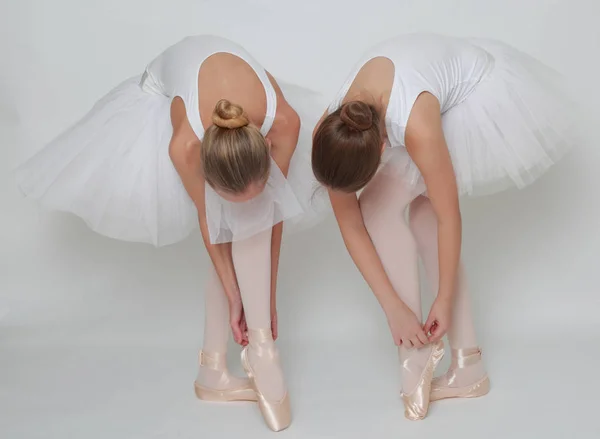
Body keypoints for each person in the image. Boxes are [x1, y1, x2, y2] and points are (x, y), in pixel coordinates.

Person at [15, 35, 316, 432]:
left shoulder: (285, 123)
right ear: (208, 173)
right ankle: (256, 353)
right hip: (160, 93)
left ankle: (220, 369)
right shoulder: (186, 145)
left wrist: (267, 298)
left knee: (252, 220)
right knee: (231, 228)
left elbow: (275, 216)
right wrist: (235, 293)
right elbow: (211, 222)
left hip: (232, 92)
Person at [311, 33, 576, 420]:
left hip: (478, 93)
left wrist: (444, 300)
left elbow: (449, 216)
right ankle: (450, 360)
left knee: (418, 215)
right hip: (420, 89)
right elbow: (350, 225)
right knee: (384, 212)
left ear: (383, 150)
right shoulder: (332, 131)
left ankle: (442, 358)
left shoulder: (415, 127)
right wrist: (392, 308)